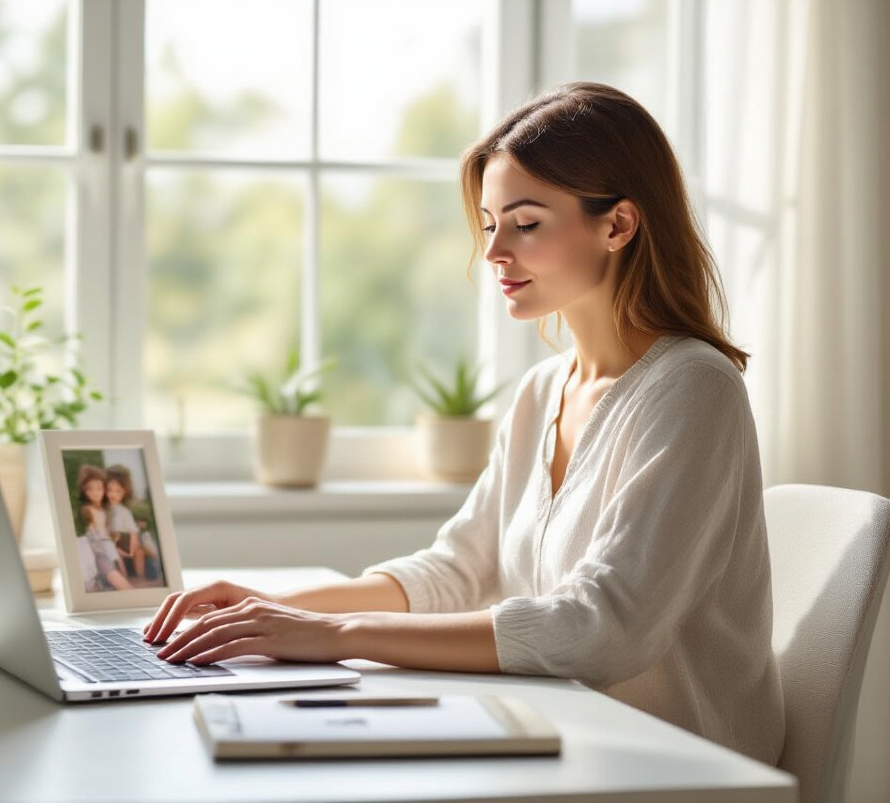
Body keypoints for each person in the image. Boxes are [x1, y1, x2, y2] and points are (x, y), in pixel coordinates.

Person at [143, 82, 784, 765]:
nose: (495, 253)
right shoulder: (544, 390)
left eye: (527, 223)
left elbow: (606, 629)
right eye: (489, 225)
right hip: (563, 739)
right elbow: (457, 570)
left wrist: (334, 632)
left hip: (678, 765)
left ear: (618, 225)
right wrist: (271, 610)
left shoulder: (694, 389)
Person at [75, 464, 132, 591]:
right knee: (110, 571)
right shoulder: (88, 510)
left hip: (108, 545)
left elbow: (106, 530)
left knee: (120, 566)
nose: (95, 493)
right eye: (90, 489)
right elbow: (93, 534)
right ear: (85, 491)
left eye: (99, 489)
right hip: (98, 548)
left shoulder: (105, 510)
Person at [105, 464, 162, 583]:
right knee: (115, 552)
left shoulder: (124, 511)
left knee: (139, 551)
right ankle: (123, 578)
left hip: (126, 542)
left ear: (124, 493)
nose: (113, 495)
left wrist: (132, 547)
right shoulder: (104, 509)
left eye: (118, 491)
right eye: (109, 490)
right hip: (112, 542)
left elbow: (133, 532)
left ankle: (140, 577)